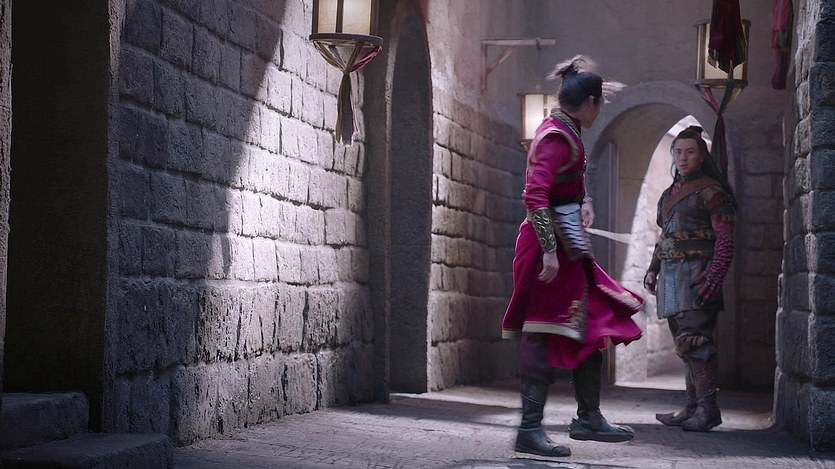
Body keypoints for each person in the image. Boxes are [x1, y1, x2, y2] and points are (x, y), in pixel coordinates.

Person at [501, 55, 644, 460]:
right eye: (601, 104)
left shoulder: (567, 130)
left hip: (567, 248)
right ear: (592, 102)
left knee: (591, 322)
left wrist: (585, 200)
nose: (600, 111)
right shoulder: (555, 136)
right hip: (546, 252)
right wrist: (548, 250)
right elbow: (535, 195)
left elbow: (566, 183)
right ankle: (530, 429)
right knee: (542, 332)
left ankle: (589, 417)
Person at [643, 125, 736, 432]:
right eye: (678, 152)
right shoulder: (670, 193)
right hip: (672, 280)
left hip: (697, 276)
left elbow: (725, 239)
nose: (683, 158)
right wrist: (653, 268)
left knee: (696, 342)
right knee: (685, 345)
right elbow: (666, 237)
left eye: (690, 152)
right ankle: (692, 407)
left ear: (701, 155)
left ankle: (708, 410)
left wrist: (714, 276)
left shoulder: (712, 191)